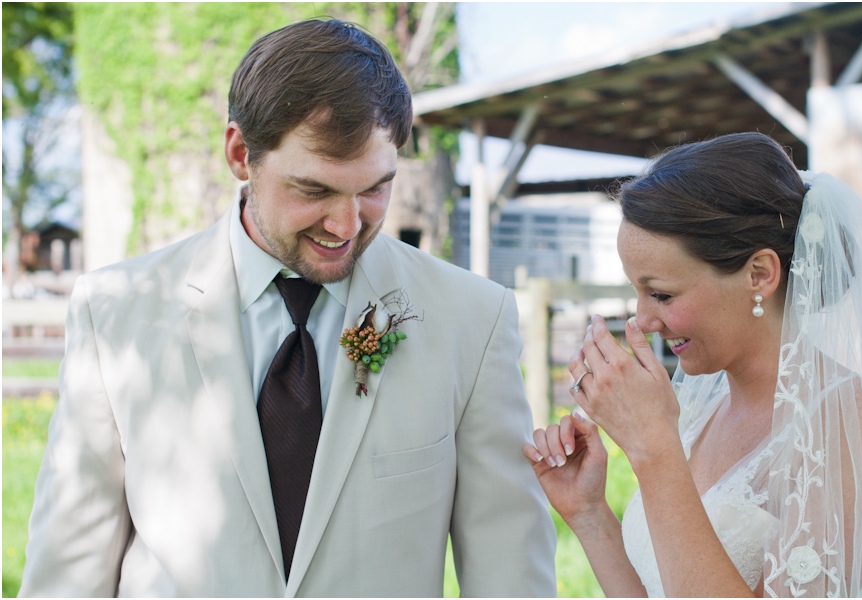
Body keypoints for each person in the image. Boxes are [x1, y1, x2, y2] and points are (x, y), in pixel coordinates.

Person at [20, 19, 556, 597]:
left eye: (375, 188)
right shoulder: (114, 314)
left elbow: (511, 578)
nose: (348, 226)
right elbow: (67, 572)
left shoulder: (473, 320)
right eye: (315, 190)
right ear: (239, 154)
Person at [523, 132, 862, 597]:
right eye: (636, 293)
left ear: (759, 274)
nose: (643, 320)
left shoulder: (856, 419)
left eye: (662, 294)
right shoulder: (701, 411)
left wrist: (653, 449)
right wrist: (589, 514)